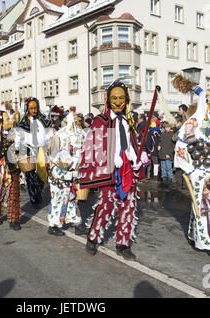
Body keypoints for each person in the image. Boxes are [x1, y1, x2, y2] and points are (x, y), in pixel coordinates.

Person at [78, 81, 142, 261]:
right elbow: (93, 147)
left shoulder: (128, 120)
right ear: (108, 100)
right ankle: (93, 238)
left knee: (129, 207)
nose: (118, 101)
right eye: (114, 98)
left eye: (121, 97)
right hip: (109, 171)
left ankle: (123, 244)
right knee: (107, 206)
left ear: (127, 99)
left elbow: (129, 143)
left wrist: (135, 157)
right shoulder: (101, 120)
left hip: (128, 170)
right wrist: (111, 159)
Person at [173, 74, 210, 259]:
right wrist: (189, 169)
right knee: (205, 206)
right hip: (199, 171)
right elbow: (181, 146)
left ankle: (193, 234)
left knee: (209, 205)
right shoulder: (193, 122)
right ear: (206, 103)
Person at [46, 108, 85, 236]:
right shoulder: (59, 135)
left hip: (73, 173)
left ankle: (74, 221)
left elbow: (82, 150)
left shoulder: (79, 134)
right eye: (72, 119)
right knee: (58, 199)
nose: (75, 120)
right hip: (59, 174)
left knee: (71, 199)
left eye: (77, 118)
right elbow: (52, 155)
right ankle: (53, 225)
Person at [16, 97, 52, 206]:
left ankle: (39, 193)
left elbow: (49, 134)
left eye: (35, 108)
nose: (34, 111)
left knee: (41, 174)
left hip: (42, 150)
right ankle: (34, 198)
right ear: (28, 108)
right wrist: (18, 149)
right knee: (30, 176)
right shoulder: (23, 122)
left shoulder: (43, 120)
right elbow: (18, 137)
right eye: (31, 108)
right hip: (28, 150)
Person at [158, 122, 175, 187]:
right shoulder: (162, 134)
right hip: (162, 153)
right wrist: (159, 145)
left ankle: (170, 178)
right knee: (163, 167)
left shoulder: (172, 135)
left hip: (168, 154)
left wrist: (169, 154)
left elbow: (173, 146)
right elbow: (160, 141)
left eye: (168, 127)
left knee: (168, 167)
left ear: (170, 128)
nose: (167, 129)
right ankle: (164, 178)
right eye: (166, 127)